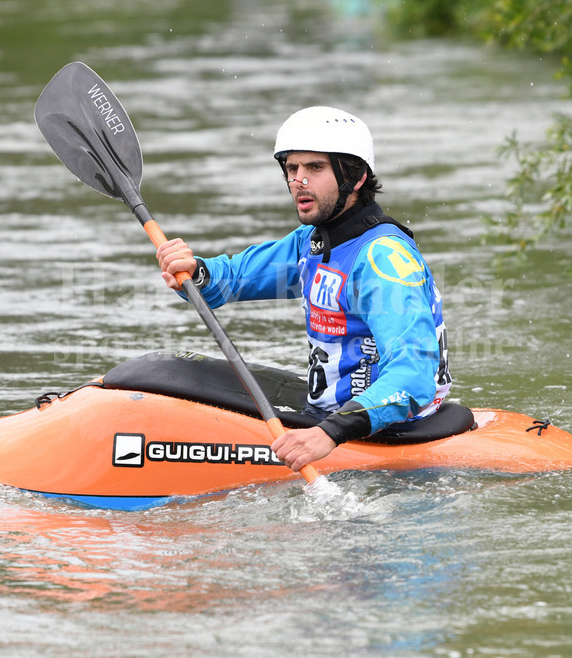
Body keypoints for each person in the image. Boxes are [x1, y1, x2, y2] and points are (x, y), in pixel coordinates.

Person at [156, 106, 451, 472]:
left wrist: (329, 433)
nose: (299, 181)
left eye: (315, 168)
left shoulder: (382, 260)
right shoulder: (313, 242)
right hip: (330, 415)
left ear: (356, 176)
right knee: (171, 374)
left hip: (380, 428)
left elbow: (414, 373)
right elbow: (234, 278)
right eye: (292, 168)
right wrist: (195, 272)